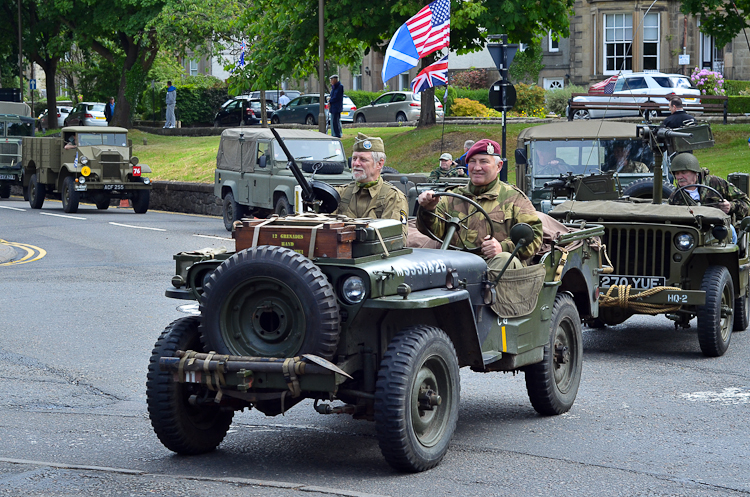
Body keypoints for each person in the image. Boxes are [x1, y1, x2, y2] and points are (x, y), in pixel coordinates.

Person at [417, 138, 544, 271]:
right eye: (472, 161)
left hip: (494, 267)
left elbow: (534, 237)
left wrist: (503, 247)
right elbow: (432, 232)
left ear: (499, 166)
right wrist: (428, 208)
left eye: (484, 162)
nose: (477, 168)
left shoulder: (514, 199)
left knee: (504, 258)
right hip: (455, 266)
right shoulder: (451, 196)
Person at [333, 132, 408, 240]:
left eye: (363, 159)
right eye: (354, 159)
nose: (356, 164)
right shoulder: (341, 193)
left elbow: (395, 240)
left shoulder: (392, 197)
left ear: (379, 164)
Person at [668, 152, 750, 243]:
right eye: (677, 173)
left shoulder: (715, 183)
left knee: (731, 230)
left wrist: (730, 206)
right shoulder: (675, 197)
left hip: (719, 229)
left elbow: (746, 202)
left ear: (695, 172)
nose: (679, 177)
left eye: (684, 172)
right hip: (691, 235)